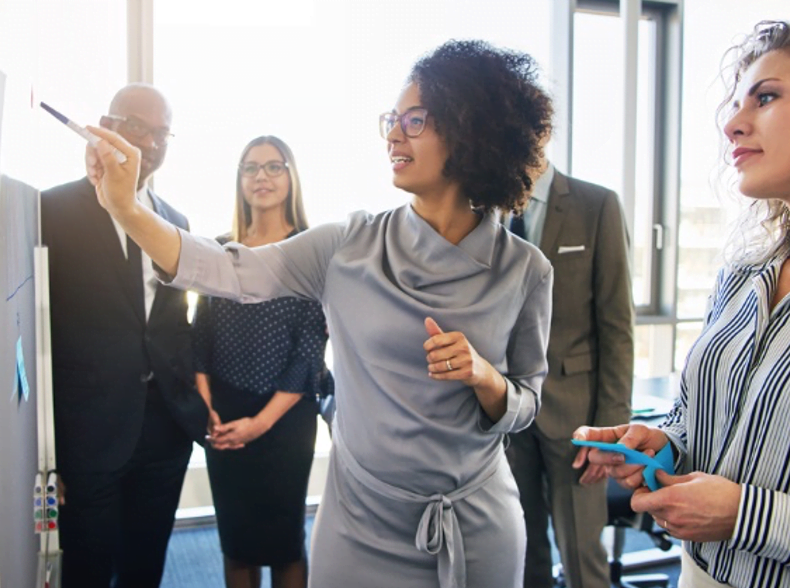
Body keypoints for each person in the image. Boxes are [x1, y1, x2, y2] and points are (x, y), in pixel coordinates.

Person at [87, 40, 555, 588]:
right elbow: (221, 268)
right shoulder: (345, 246)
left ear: (471, 130)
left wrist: (485, 376)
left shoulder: (526, 270)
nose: (394, 134)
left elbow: (526, 403)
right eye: (392, 119)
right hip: (361, 524)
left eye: (415, 120)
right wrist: (125, 206)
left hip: (476, 526)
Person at [574, 15, 790, 588]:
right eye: (736, 104)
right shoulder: (741, 277)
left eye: (765, 98)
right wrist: (663, 447)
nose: (733, 125)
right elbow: (698, 425)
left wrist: (749, 517)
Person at [41, 83, 208, 588]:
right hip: (88, 435)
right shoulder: (52, 211)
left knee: (145, 565)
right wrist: (51, 453)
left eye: (161, 133)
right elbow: (42, 333)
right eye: (138, 127)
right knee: (87, 569)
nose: (151, 142)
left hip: (164, 428)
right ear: (106, 126)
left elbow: (172, 324)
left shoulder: (175, 222)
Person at [193, 135, 331, 588]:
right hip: (223, 414)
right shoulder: (219, 250)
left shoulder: (310, 252)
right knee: (235, 543)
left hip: (285, 418)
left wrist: (260, 424)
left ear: (291, 177)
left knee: (284, 543)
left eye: (274, 166)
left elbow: (309, 351)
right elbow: (201, 337)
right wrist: (206, 411)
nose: (261, 177)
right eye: (250, 168)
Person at [505, 152, 634, 587]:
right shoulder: (485, 208)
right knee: (521, 553)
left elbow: (617, 328)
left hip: (577, 418)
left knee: (582, 557)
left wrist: (611, 429)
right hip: (506, 413)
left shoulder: (596, 205)